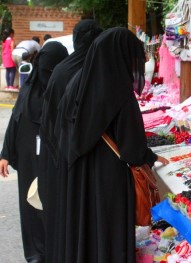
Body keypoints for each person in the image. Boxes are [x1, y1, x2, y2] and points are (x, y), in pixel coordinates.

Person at [54, 27, 169, 263]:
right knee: (109, 232)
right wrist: (151, 157)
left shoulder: (80, 81)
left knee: (87, 228)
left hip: (81, 172)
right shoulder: (119, 91)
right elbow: (133, 149)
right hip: (109, 178)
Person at [39, 19, 102, 263]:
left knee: (66, 215)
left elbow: (49, 118)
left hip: (59, 157)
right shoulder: (98, 70)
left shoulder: (61, 70)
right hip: (90, 161)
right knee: (86, 216)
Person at [0, 41, 68, 263]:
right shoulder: (29, 88)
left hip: (56, 157)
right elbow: (16, 118)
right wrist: (5, 154)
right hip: (29, 156)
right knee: (31, 206)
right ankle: (36, 255)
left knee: (54, 206)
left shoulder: (66, 87)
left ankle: (57, 250)